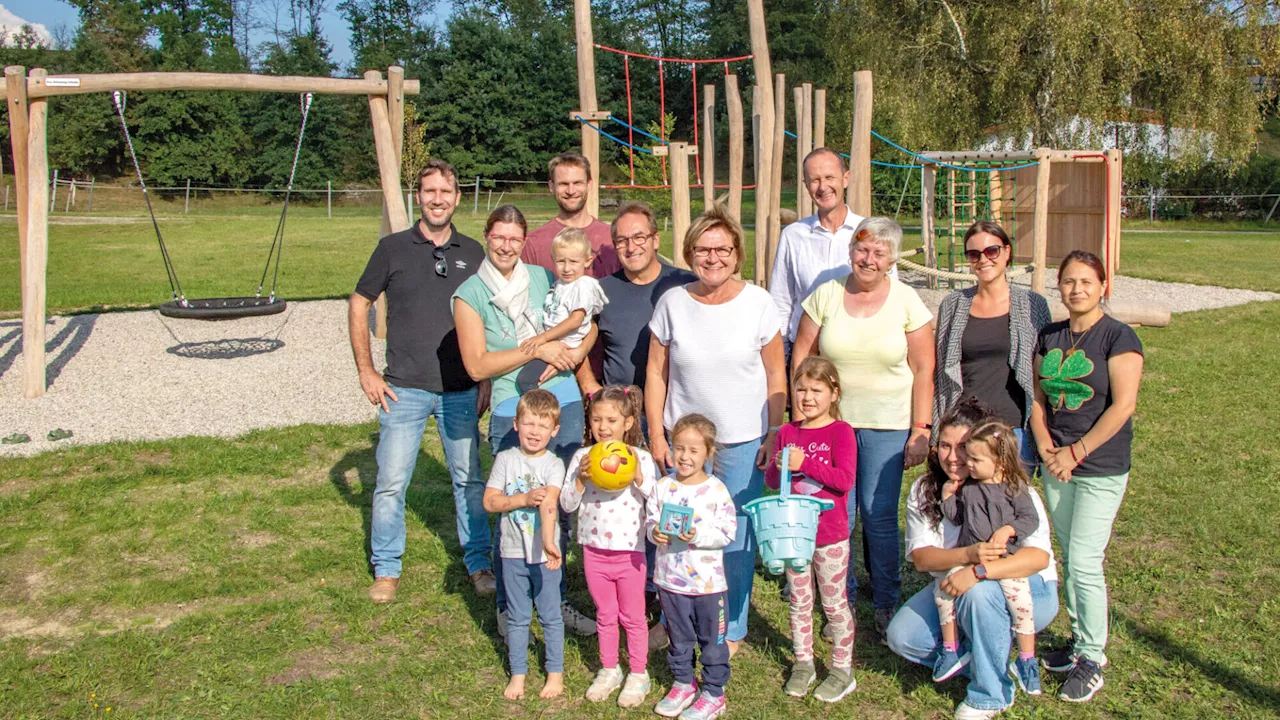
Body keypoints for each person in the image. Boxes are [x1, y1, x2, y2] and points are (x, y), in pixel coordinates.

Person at [349, 158, 493, 604]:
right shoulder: (392, 248)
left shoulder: (474, 253)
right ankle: (387, 569)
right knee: (391, 483)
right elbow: (359, 304)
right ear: (419, 197)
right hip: (404, 388)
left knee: (469, 481)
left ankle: (479, 563)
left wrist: (485, 375)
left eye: (445, 192)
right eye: (429, 191)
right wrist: (365, 370)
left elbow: (489, 314)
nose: (437, 199)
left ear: (457, 197)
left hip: (460, 389)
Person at [646, 204, 787, 655]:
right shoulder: (672, 303)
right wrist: (654, 432)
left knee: (735, 535)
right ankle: (676, 620)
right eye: (703, 249)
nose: (713, 258)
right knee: (677, 532)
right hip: (685, 443)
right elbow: (656, 374)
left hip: (743, 438)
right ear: (690, 253)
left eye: (722, 249)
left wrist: (773, 432)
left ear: (736, 253)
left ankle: (732, 627)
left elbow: (776, 375)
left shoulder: (759, 303)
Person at [453, 204, 596, 637]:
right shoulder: (470, 294)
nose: (507, 245)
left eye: (515, 238)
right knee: (514, 506)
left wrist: (575, 352)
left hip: (563, 401)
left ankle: (557, 601)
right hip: (509, 407)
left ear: (524, 241)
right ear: (487, 236)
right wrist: (536, 350)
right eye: (499, 236)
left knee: (560, 504)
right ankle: (509, 603)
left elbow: (586, 321)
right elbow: (478, 366)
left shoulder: (543, 277)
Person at [792, 216, 935, 638]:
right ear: (851, 250)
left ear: (892, 259)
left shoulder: (908, 301)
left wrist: (920, 428)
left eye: (878, 252)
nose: (867, 259)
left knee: (877, 515)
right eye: (861, 249)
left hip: (887, 427)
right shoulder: (827, 294)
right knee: (835, 513)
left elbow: (923, 368)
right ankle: (842, 595)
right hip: (831, 426)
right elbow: (803, 352)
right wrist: (803, 418)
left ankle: (886, 598)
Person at [885, 398, 1060, 720]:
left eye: (963, 447)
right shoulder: (928, 490)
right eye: (945, 446)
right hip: (957, 587)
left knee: (977, 593)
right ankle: (988, 657)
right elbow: (923, 560)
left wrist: (977, 570)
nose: (953, 457)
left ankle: (990, 694)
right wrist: (968, 555)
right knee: (903, 638)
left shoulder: (1013, 490)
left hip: (1028, 590)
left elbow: (1036, 558)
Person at [1030, 250, 1143, 703]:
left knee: (1083, 561)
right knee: (1070, 554)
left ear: (1102, 287)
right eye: (1068, 282)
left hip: (1098, 465)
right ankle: (1078, 643)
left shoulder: (1119, 337)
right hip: (1056, 462)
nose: (1076, 290)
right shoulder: (1050, 335)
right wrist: (1044, 444)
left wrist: (1076, 452)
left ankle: (1093, 657)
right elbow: (1037, 397)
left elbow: (1124, 405)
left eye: (1085, 282)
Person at [765, 356, 858, 703]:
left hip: (830, 536)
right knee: (800, 602)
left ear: (834, 393)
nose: (807, 397)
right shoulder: (788, 432)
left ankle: (841, 669)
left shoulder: (841, 432)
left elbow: (844, 481)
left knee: (834, 606)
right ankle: (803, 663)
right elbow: (775, 483)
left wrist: (808, 464)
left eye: (816, 390)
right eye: (800, 389)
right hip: (794, 536)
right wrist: (778, 467)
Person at [560, 385, 659, 707]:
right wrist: (579, 480)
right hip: (593, 550)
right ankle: (609, 668)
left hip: (630, 552)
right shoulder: (581, 458)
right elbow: (567, 504)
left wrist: (641, 478)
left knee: (633, 615)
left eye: (612, 420)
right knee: (605, 613)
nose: (604, 427)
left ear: (628, 422)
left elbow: (658, 500)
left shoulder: (640, 458)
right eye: (597, 420)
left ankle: (639, 673)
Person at [932, 419, 1041, 696]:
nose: (968, 464)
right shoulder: (968, 488)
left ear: (1000, 461)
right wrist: (947, 500)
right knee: (943, 590)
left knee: (1022, 603)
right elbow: (958, 518)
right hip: (970, 558)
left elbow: (1030, 519)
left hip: (1004, 563)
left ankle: (1027, 658)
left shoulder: (1014, 488)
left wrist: (1009, 529)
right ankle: (950, 648)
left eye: (976, 459)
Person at [934, 220, 1052, 462]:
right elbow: (942, 376)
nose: (983, 259)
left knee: (1013, 499)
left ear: (1007, 252)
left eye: (991, 251)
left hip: (1013, 429)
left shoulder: (1033, 304)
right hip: (964, 429)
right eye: (974, 254)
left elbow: (1044, 371)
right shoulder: (953, 305)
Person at [646, 414, 738, 720]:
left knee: (712, 640)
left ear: (708, 453)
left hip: (708, 585)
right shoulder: (662, 487)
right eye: (679, 448)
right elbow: (650, 521)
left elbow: (727, 533)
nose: (685, 456)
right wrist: (653, 532)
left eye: (694, 450)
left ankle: (713, 692)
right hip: (670, 580)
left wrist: (697, 536)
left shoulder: (716, 491)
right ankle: (683, 683)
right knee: (679, 638)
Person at [769, 148, 896, 355]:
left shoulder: (870, 233)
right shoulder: (793, 236)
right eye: (815, 180)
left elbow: (891, 294)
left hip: (857, 350)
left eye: (829, 177)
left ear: (846, 179)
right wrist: (782, 357)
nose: (823, 187)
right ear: (806, 186)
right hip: (806, 351)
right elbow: (781, 302)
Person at [482, 390, 566, 700]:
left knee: (550, 616)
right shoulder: (505, 460)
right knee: (517, 617)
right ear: (516, 424)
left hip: (546, 556)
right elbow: (490, 501)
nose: (535, 432)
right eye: (529, 423)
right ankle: (518, 675)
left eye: (543, 426)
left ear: (554, 431)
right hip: (512, 553)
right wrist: (521, 499)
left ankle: (554, 673)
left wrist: (547, 543)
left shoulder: (554, 465)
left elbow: (550, 504)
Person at [577, 201, 696, 395]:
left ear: (655, 240)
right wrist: (588, 384)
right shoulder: (600, 291)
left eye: (639, 237)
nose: (631, 248)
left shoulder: (685, 284)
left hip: (675, 406)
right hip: (619, 409)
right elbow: (574, 338)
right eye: (622, 240)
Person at [517, 227, 608, 392]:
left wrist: (542, 338)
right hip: (554, 344)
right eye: (561, 261)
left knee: (526, 380)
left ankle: (539, 411)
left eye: (573, 262)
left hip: (566, 346)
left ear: (587, 261)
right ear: (553, 259)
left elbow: (576, 320)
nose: (566, 268)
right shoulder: (560, 284)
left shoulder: (583, 285)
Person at [522, 151, 621, 279]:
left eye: (577, 183)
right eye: (563, 184)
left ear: (589, 184)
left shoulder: (612, 240)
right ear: (551, 186)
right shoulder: (533, 244)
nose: (571, 191)